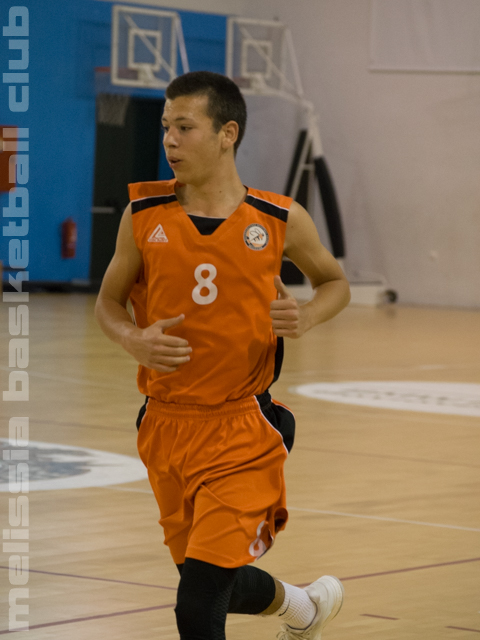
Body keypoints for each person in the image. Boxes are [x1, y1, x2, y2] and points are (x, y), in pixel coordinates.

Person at [95, 71, 350, 640]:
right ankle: (304, 608)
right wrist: (132, 338)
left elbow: (335, 283)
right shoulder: (143, 215)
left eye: (185, 127)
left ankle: (300, 609)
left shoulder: (278, 219)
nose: (169, 140)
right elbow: (108, 303)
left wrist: (307, 315)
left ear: (227, 133)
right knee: (209, 582)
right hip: (164, 426)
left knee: (197, 604)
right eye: (166, 127)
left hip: (241, 430)